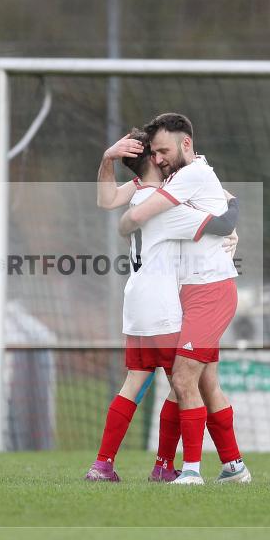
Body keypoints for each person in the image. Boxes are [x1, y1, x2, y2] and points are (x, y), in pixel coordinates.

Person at [85, 129, 239, 483]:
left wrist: (108, 157)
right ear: (154, 160)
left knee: (134, 382)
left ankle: (102, 465)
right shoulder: (166, 207)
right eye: (158, 153)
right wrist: (233, 213)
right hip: (162, 304)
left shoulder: (138, 192)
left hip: (135, 303)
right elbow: (221, 223)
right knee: (183, 384)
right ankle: (168, 466)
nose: (163, 158)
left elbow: (107, 201)